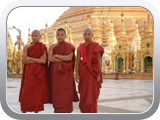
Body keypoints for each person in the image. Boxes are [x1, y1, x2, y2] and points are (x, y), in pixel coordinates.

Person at [48, 28, 79, 113]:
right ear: (56, 36)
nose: (60, 37)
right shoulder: (52, 46)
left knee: (66, 92)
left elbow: (69, 58)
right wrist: (63, 58)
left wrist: (57, 55)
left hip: (66, 75)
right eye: (58, 35)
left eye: (62, 35)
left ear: (65, 36)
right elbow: (50, 58)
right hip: (55, 75)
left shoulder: (69, 46)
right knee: (56, 92)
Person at [19, 30, 50, 113]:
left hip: (39, 73)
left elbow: (43, 61)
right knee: (26, 91)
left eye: (36, 36)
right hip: (29, 73)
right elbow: (24, 61)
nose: (34, 37)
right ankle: (24, 109)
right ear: (31, 37)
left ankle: (36, 110)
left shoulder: (42, 47)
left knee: (37, 93)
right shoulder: (26, 47)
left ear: (40, 37)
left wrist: (30, 58)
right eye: (33, 36)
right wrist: (37, 60)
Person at [76, 28, 104, 113]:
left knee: (91, 95)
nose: (87, 36)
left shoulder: (96, 46)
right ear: (83, 36)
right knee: (84, 94)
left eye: (89, 34)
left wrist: (98, 74)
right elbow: (78, 61)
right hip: (83, 73)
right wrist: (76, 74)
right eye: (85, 34)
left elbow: (99, 60)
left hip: (93, 74)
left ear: (92, 35)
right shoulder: (80, 47)